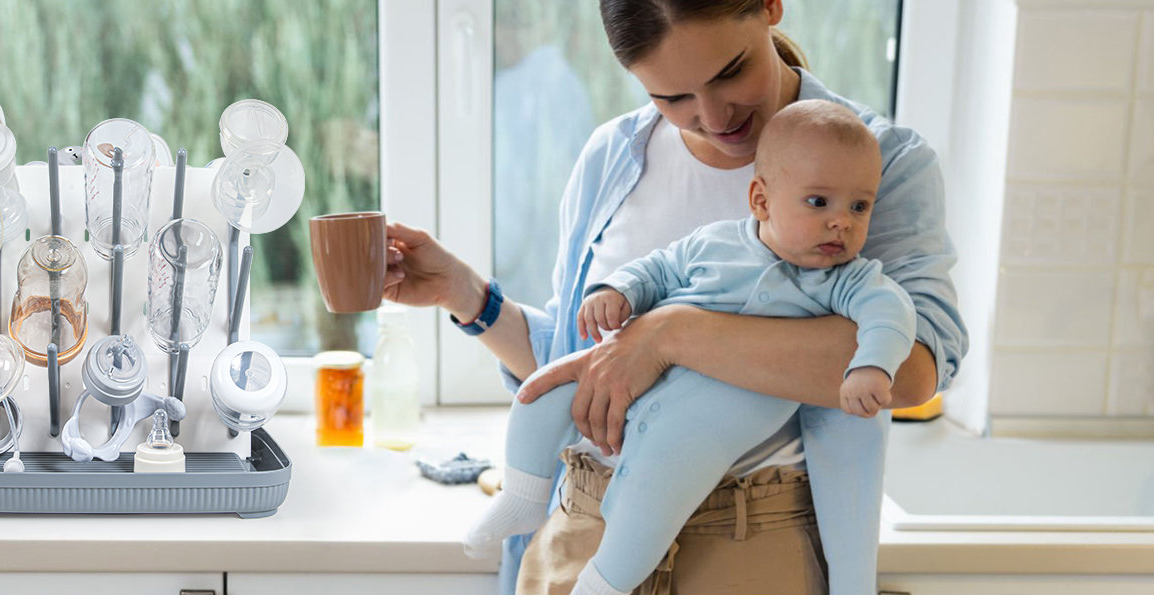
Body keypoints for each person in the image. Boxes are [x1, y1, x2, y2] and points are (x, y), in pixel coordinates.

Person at [380, 0, 967, 593]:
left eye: (731, 71)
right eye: (672, 97)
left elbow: (914, 369)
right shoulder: (612, 158)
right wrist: (464, 293)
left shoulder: (875, 161)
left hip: (748, 549)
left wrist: (669, 335)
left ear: (770, 8)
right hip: (583, 535)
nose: (714, 116)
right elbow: (585, 361)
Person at [462, 100, 917, 594]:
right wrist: (615, 292)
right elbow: (657, 269)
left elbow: (891, 314)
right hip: (626, 412)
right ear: (761, 201)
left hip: (701, 439)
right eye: (818, 203)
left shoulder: (843, 282)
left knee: (651, 492)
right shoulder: (715, 243)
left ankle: (603, 585)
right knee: (541, 393)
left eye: (859, 206)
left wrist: (872, 367)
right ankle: (523, 494)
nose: (842, 223)